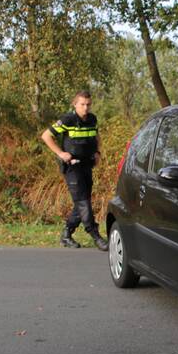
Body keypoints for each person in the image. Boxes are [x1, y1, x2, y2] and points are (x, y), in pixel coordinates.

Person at [41, 90, 109, 251]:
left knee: (82, 202)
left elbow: (96, 136)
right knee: (83, 202)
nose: (85, 108)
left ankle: (66, 234)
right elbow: (46, 136)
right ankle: (95, 236)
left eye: (88, 104)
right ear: (75, 104)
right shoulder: (68, 119)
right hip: (72, 167)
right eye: (82, 104)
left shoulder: (92, 119)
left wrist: (98, 152)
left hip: (87, 165)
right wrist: (60, 153)